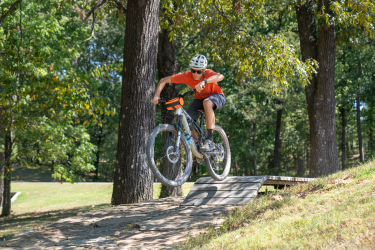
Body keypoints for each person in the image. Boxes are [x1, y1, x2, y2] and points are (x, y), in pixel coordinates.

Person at [152, 54, 225, 151]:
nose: (195, 74)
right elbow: (163, 80)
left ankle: (209, 140)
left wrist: (204, 82)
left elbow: (220, 76)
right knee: (188, 121)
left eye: (199, 71)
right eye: (193, 70)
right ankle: (197, 146)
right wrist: (156, 95)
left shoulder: (208, 74)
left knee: (207, 102)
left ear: (204, 70)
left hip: (217, 96)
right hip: (199, 99)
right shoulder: (186, 76)